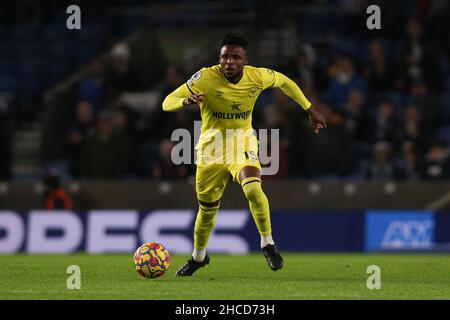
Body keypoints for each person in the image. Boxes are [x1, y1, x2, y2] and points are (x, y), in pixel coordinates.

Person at [162, 33, 326, 276]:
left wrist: (310, 108)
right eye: (225, 57)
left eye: (235, 57)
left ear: (245, 61)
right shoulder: (206, 77)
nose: (229, 61)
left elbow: (285, 82)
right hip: (211, 149)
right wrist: (185, 101)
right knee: (207, 211)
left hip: (242, 143)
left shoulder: (257, 76)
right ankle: (198, 257)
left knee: (252, 188)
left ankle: (267, 243)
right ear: (219, 59)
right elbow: (167, 101)